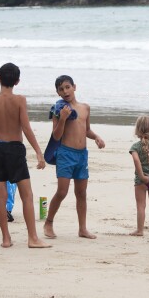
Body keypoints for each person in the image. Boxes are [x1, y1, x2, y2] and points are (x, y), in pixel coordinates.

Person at [0, 62, 51, 249]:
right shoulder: (20, 100)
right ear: (17, 81)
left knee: (0, 196)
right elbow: (26, 128)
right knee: (27, 195)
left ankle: (6, 239)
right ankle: (32, 238)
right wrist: (39, 152)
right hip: (15, 149)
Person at [43, 75, 106, 239]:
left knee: (81, 193)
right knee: (62, 191)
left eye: (67, 87)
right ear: (57, 92)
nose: (65, 91)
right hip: (65, 154)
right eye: (61, 89)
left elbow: (86, 130)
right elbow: (56, 136)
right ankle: (48, 222)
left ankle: (82, 229)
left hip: (82, 155)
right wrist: (63, 119)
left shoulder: (85, 108)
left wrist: (97, 137)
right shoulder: (59, 110)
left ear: (74, 87)